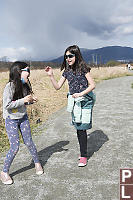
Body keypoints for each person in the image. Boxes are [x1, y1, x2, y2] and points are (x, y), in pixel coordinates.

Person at [45, 45, 95, 167]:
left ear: (76, 56)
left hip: (85, 100)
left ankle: (83, 156)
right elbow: (57, 87)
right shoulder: (66, 71)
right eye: (66, 56)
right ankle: (83, 153)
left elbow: (92, 85)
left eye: (70, 56)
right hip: (74, 101)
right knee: (78, 126)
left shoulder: (83, 69)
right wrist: (51, 76)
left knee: (83, 126)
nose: (68, 58)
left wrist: (80, 94)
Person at [0, 61, 43, 185]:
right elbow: (8, 105)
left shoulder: (24, 86)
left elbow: (23, 103)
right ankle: (4, 172)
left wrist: (30, 100)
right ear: (19, 72)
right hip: (11, 120)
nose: (29, 74)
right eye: (27, 71)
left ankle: (37, 163)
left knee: (29, 141)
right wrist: (24, 99)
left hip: (23, 117)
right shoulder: (9, 87)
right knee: (15, 147)